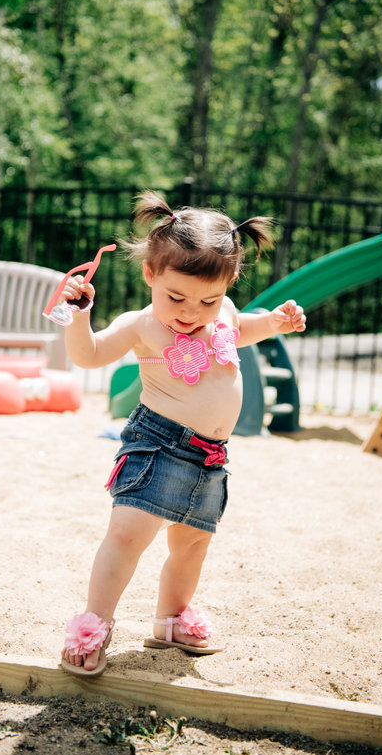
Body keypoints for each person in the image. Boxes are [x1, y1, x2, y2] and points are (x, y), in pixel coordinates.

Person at [59, 190, 306, 677]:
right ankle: (93, 625)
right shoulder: (141, 325)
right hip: (158, 444)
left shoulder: (225, 312)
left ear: (228, 283)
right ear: (151, 273)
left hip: (211, 456)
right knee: (128, 535)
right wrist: (78, 315)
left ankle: (171, 620)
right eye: (176, 296)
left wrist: (275, 322)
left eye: (207, 300)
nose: (191, 311)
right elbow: (87, 356)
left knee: (192, 544)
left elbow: (243, 327)